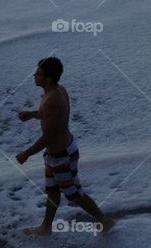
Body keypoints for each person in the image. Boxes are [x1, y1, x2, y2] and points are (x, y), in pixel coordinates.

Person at [16, 57, 114, 236]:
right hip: (54, 154)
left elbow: (48, 136)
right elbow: (50, 117)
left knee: (74, 194)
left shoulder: (52, 98)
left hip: (63, 155)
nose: (34, 76)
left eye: (38, 74)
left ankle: (104, 220)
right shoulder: (57, 90)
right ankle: (46, 227)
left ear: (49, 78)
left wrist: (27, 153)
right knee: (52, 192)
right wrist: (32, 114)